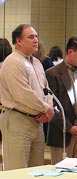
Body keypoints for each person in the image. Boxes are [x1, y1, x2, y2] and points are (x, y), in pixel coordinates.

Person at [0, 24, 55, 170]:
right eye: (31, 37)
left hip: (37, 122)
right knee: (16, 171)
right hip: (17, 120)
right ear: (18, 41)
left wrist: (48, 107)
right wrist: (45, 108)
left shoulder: (36, 62)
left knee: (36, 171)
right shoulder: (12, 62)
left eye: (36, 36)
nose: (36, 40)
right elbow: (22, 93)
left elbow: (46, 89)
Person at [45, 36, 77, 163]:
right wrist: (69, 127)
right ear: (70, 52)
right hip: (62, 130)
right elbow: (52, 105)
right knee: (60, 173)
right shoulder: (52, 74)